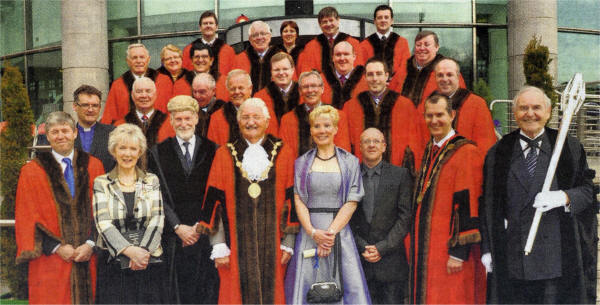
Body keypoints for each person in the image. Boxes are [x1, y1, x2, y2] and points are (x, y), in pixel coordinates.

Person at [479, 86, 597, 304]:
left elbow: (588, 193)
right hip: (513, 261)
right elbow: (487, 204)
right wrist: (486, 248)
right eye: (523, 108)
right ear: (514, 114)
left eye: (536, 107)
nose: (530, 113)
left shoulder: (569, 148)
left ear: (549, 112)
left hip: (557, 261)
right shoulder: (498, 152)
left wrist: (563, 197)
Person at [197, 98, 297, 304]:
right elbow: (213, 202)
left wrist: (288, 243)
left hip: (274, 245)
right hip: (235, 247)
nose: (251, 122)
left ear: (267, 121)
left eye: (256, 117)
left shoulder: (284, 152)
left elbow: (291, 199)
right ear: (238, 121)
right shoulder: (224, 154)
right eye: (245, 117)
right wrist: (218, 245)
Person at [15, 112, 104, 304]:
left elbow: (104, 211)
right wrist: (55, 247)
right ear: (47, 137)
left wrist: (90, 244)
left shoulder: (94, 166)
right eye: (54, 132)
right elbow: (26, 217)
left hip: (87, 256)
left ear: (74, 133)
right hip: (49, 258)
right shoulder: (32, 171)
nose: (60, 136)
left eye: (65, 130)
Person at [285, 105, 370, 304]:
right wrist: (314, 233)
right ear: (311, 130)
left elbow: (351, 201)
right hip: (309, 233)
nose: (322, 130)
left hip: (339, 234)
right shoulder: (301, 163)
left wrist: (329, 235)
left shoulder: (350, 162)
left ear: (335, 129)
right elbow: (299, 200)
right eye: (316, 126)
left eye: (326, 125)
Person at [409, 94, 485, 304]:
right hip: (428, 249)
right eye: (429, 116)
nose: (434, 121)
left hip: (449, 250)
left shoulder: (466, 151)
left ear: (452, 115)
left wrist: (459, 253)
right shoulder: (431, 149)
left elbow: (469, 203)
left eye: (440, 115)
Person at [148, 96, 219, 304]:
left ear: (196, 118)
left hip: (205, 234)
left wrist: (201, 225)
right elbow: (155, 193)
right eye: (178, 119)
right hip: (173, 237)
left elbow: (216, 192)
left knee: (206, 290)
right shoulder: (157, 152)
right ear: (171, 121)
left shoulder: (213, 149)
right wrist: (177, 226)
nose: (183, 124)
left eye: (188, 118)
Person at [93, 123, 166, 304]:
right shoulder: (101, 182)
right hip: (113, 264)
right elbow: (102, 222)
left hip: (147, 262)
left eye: (133, 148)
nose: (128, 154)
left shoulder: (151, 180)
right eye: (122, 148)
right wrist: (129, 251)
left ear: (140, 151)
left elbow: (157, 218)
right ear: (113, 151)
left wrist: (142, 253)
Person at [350, 128, 412, 304]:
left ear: (384, 146)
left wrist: (382, 248)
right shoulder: (350, 176)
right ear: (360, 147)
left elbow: (405, 217)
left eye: (376, 141)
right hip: (360, 263)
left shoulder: (400, 175)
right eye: (366, 141)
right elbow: (346, 219)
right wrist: (363, 247)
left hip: (391, 263)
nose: (371, 145)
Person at [343, 58, 423, 171]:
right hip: (360, 174)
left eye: (379, 74)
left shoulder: (405, 105)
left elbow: (414, 144)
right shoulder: (351, 107)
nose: (375, 79)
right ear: (364, 77)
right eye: (370, 75)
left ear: (387, 76)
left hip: (395, 173)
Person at [38, 85, 116, 172]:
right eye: (85, 105)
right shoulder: (65, 135)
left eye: (95, 105)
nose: (90, 110)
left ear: (100, 107)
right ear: (75, 106)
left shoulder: (113, 133)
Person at [279, 70, 351, 157]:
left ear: (322, 89)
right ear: (300, 91)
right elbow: (286, 157)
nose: (310, 90)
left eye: (314, 86)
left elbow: (343, 153)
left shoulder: (338, 116)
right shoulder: (288, 119)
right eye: (305, 87)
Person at [432, 58, 496, 153]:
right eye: (440, 75)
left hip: (466, 165)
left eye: (449, 74)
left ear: (458, 77)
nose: (445, 79)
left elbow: (486, 146)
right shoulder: (430, 104)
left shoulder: (477, 104)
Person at [207, 69, 277, 145]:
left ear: (250, 89)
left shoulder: (266, 114)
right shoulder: (217, 118)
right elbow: (214, 151)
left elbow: (273, 146)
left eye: (241, 88)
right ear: (228, 90)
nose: (237, 92)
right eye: (233, 89)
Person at [398, 31, 466, 109]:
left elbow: (459, 102)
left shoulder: (448, 70)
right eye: (418, 45)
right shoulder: (403, 68)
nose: (422, 48)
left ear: (436, 47)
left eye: (427, 45)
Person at [101, 43, 158, 124]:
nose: (138, 61)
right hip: (127, 133)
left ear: (148, 59)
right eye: (134, 58)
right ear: (128, 61)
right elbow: (109, 116)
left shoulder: (162, 81)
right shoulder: (118, 85)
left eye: (142, 57)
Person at [297, 6, 363, 74]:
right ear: (320, 24)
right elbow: (306, 72)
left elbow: (359, 70)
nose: (328, 24)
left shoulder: (353, 43)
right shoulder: (310, 46)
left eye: (331, 20)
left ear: (338, 20)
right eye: (324, 22)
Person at [359, 5, 411, 92]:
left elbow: (405, 69)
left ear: (391, 21)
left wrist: (391, 85)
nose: (383, 20)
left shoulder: (402, 42)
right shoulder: (364, 44)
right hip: (372, 90)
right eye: (379, 18)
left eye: (386, 17)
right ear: (375, 21)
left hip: (396, 90)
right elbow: (361, 69)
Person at [114, 77, 175, 149]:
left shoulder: (170, 124)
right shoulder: (120, 125)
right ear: (132, 96)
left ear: (155, 95)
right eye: (139, 91)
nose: (144, 95)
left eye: (148, 91)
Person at [234, 21, 283, 94]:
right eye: (255, 35)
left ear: (269, 36)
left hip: (274, 103)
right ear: (250, 39)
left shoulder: (282, 58)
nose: (259, 37)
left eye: (263, 34)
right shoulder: (240, 59)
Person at [182, 11, 236, 76]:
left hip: (221, 85)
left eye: (211, 23)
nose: (208, 26)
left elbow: (233, 75)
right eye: (205, 23)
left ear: (216, 27)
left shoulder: (228, 50)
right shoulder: (188, 50)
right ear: (200, 27)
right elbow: (185, 74)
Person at [254, 52, 300, 127]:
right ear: (271, 72)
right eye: (276, 70)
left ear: (292, 70)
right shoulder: (260, 97)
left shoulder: (304, 93)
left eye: (285, 69)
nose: (281, 73)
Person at [321, 41, 369, 109]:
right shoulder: (320, 80)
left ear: (354, 56)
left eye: (346, 54)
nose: (342, 58)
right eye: (338, 54)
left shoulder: (366, 79)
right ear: (333, 57)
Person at [155, 44, 190, 113]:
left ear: (181, 59)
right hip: (161, 118)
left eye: (176, 57)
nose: (173, 60)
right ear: (163, 61)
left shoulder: (190, 76)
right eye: (168, 58)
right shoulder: (154, 77)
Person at [192, 72, 226, 137]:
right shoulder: (191, 109)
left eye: (202, 92)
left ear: (214, 91)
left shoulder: (224, 110)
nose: (197, 96)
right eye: (194, 91)